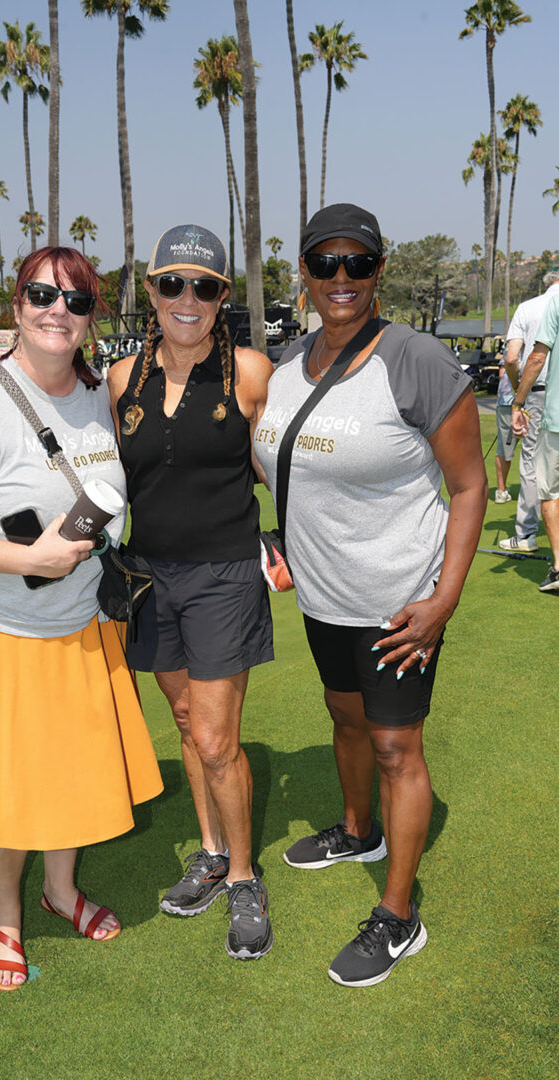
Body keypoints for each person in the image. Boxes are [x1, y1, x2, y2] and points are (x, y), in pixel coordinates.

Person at [0, 246, 163, 991]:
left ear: (90, 321)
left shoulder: (97, 397)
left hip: (78, 625)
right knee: (8, 787)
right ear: (16, 305)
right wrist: (27, 561)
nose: (57, 312)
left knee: (71, 774)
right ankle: (7, 916)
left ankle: (62, 890)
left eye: (76, 302)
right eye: (42, 295)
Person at [253, 203, 487, 987]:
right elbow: (272, 464)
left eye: (358, 264)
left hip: (399, 605)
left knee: (396, 747)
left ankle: (398, 915)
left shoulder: (415, 360)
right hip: (323, 597)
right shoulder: (285, 367)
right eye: (327, 264)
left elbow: (468, 486)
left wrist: (443, 598)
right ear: (308, 275)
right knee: (344, 718)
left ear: (379, 273)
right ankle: (359, 831)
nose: (342, 279)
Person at [107, 224, 275, 960]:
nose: (187, 299)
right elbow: (104, 478)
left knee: (214, 739)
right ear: (150, 291)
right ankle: (208, 852)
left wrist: (289, 542)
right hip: (150, 575)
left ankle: (243, 877)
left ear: (221, 299)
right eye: (171, 283)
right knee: (183, 719)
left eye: (203, 287)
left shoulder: (249, 372)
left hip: (224, 576)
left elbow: (286, 472)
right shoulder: (121, 378)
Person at [499, 270, 559, 552]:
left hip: (538, 393)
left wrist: (516, 396)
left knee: (533, 464)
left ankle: (526, 534)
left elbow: (513, 358)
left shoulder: (529, 307)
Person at [510, 287, 559, 592]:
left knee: (551, 493)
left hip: (556, 419)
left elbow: (536, 358)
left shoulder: (555, 301)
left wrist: (518, 402)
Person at [494, 358, 516, 503]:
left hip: (506, 400)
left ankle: (501, 491)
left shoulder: (513, 342)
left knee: (504, 449)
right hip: (531, 399)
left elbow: (502, 373)